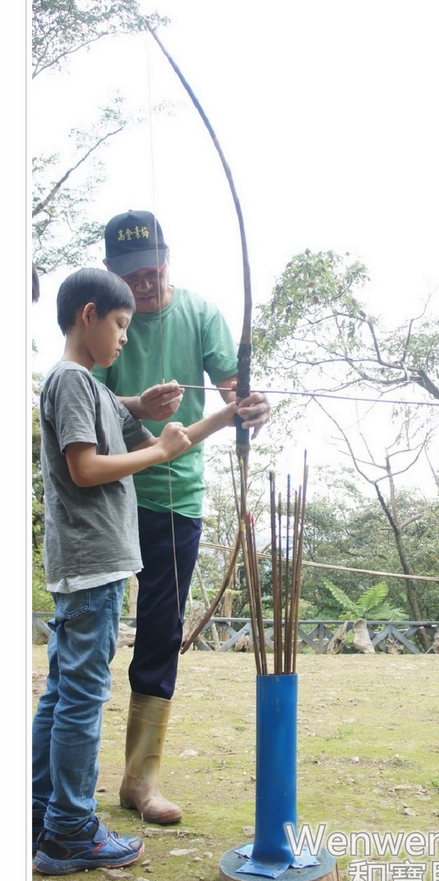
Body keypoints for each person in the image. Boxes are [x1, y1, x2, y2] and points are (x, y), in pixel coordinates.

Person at [32, 267, 237, 875]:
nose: (127, 337)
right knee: (81, 697)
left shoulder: (93, 391)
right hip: (92, 563)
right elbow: (86, 468)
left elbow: (162, 442)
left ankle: (40, 812)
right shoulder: (72, 381)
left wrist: (226, 416)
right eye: (121, 324)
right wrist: (160, 450)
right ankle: (69, 831)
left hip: (91, 563)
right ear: (88, 315)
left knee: (62, 692)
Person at [93, 209, 270, 825]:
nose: (143, 285)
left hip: (176, 497)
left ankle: (140, 779)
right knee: (90, 628)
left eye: (151, 271)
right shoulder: (105, 321)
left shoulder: (199, 313)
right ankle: (57, 779)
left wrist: (247, 406)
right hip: (110, 492)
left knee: (162, 631)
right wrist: (137, 404)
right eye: (129, 276)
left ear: (167, 260)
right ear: (111, 274)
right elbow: (84, 394)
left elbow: (232, 387)